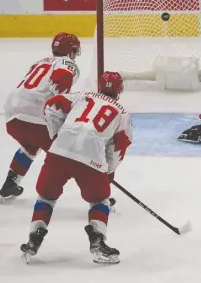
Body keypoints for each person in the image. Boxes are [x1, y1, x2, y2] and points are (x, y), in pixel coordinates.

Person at [20, 72, 132, 265]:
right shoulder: (122, 114)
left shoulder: (81, 96)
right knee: (100, 201)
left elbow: (52, 105)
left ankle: (34, 237)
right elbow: (119, 146)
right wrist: (107, 170)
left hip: (59, 151)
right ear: (119, 90)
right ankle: (97, 241)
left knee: (47, 197)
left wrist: (56, 135)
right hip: (91, 157)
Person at [0, 32, 81, 202]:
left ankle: (11, 182)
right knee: (70, 155)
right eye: (74, 50)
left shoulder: (40, 61)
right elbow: (62, 82)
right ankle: (98, 195)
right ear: (69, 51)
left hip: (12, 114)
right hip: (36, 112)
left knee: (29, 145)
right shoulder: (67, 63)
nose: (75, 54)